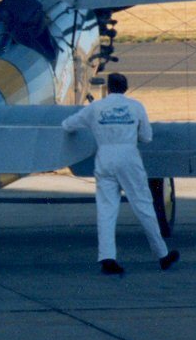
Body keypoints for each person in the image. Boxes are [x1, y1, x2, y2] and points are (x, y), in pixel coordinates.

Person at [62, 73, 179, 275]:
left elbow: (68, 125)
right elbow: (146, 137)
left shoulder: (95, 108)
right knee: (143, 205)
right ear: (125, 88)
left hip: (105, 156)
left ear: (108, 88)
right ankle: (161, 254)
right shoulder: (136, 106)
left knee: (107, 210)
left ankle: (107, 257)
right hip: (128, 156)